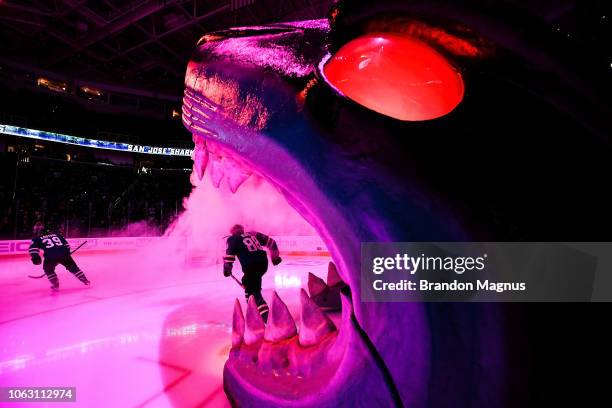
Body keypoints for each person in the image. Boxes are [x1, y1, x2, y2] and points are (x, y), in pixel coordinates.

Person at [223, 224, 282, 322]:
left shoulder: (233, 239)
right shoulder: (253, 234)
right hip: (263, 264)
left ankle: (268, 319)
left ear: (232, 232)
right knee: (250, 289)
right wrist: (275, 258)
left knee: (253, 293)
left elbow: (229, 257)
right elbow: (272, 242)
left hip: (251, 266)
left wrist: (226, 269)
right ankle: (255, 312)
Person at [29, 226, 90, 291]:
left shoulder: (37, 238)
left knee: (48, 270)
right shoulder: (58, 235)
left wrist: (35, 257)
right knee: (73, 267)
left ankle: (55, 285)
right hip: (64, 254)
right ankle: (85, 280)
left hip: (50, 256)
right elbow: (67, 245)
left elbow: (33, 248)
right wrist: (66, 253)